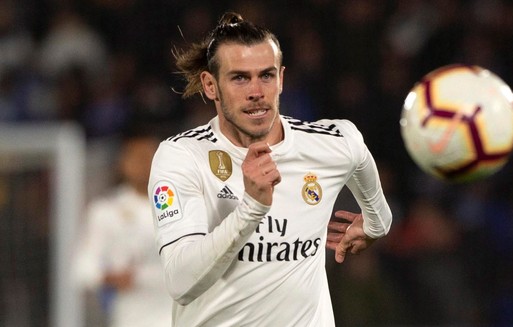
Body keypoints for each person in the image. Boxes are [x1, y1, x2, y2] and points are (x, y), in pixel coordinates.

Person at [148, 11, 392, 326]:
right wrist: (251, 207)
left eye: (266, 75)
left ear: (281, 79)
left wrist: (376, 222)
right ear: (210, 85)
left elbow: (357, 152)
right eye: (239, 77)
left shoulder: (330, 143)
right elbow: (181, 282)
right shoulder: (183, 156)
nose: (256, 91)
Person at [74, 132, 173, 327]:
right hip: (133, 317)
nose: (143, 165)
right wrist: (110, 277)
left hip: (179, 314)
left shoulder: (183, 205)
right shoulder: (106, 211)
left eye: (149, 156)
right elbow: (82, 268)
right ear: (123, 163)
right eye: (137, 157)